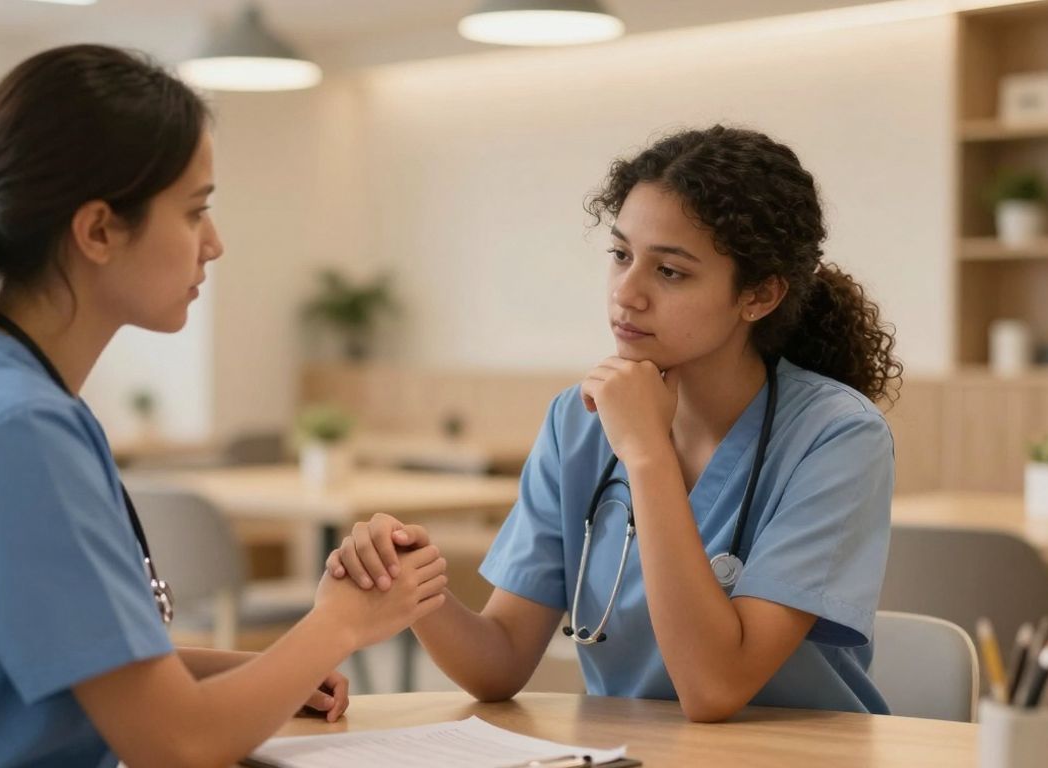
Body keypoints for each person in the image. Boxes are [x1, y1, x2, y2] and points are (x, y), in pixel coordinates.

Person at [0, 44, 448, 767]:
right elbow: (177, 744)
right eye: (195, 210)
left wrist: (264, 670)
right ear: (99, 230)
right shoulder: (16, 431)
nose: (215, 243)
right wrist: (338, 626)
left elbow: (80, 668)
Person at [327, 125, 903, 722]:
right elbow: (497, 664)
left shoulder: (837, 437)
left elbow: (714, 688)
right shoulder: (577, 421)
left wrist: (647, 454)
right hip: (633, 755)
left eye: (670, 272)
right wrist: (415, 587)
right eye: (622, 255)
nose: (626, 294)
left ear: (758, 295)